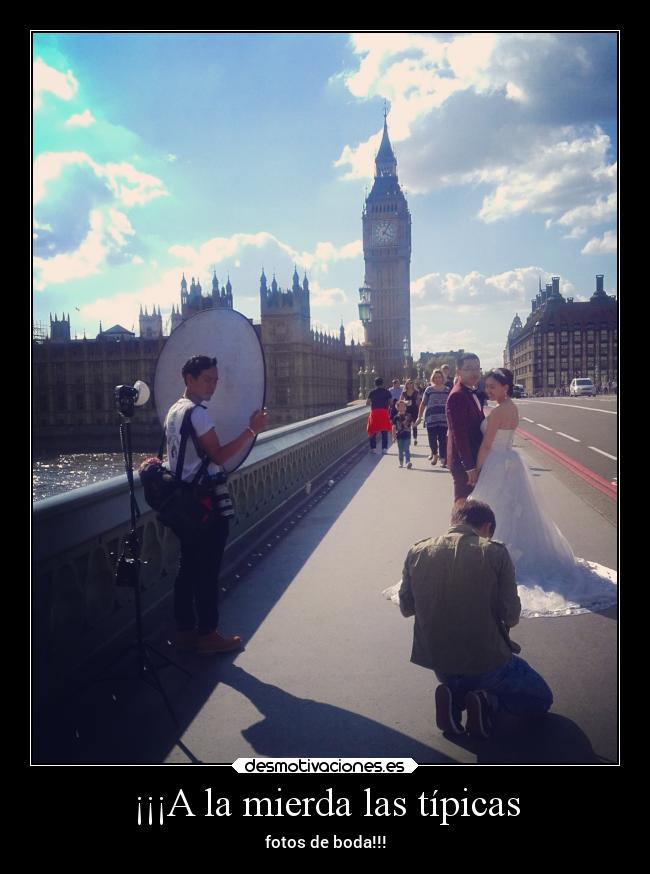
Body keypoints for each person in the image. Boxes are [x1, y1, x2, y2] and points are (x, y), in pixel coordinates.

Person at [468, 367, 617, 617]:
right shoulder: (512, 407)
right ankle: (509, 554)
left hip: (496, 462)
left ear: (506, 386)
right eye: (487, 386)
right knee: (514, 510)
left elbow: (486, 444)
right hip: (511, 461)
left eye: (493, 386)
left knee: (494, 508)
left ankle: (497, 560)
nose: (489, 390)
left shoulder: (497, 412)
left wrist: (476, 471)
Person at [398, 501, 552, 738]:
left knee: (460, 679)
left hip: (440, 662)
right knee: (541, 700)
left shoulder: (417, 551)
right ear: (487, 527)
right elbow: (511, 616)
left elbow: (407, 608)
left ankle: (454, 698)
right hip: (487, 662)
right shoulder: (494, 552)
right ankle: (487, 702)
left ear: (454, 521)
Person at [165, 355, 268, 655]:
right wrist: (252, 430)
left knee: (187, 568)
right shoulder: (197, 414)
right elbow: (220, 456)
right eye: (207, 379)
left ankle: (185, 630)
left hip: (182, 500)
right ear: (189, 379)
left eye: (215, 380)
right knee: (207, 571)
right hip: (204, 504)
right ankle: (208, 634)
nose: (213, 385)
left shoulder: (174, 410)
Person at [445, 353, 485, 507]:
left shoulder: (468, 391)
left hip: (470, 458)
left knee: (469, 506)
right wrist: (469, 467)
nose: (474, 372)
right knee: (462, 506)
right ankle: (456, 531)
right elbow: (459, 435)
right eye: (468, 369)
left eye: (477, 368)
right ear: (458, 372)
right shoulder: (458, 395)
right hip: (464, 463)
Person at [416, 369, 449, 466]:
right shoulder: (429, 390)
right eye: (435, 377)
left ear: (442, 378)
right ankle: (435, 454)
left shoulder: (447, 390)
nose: (437, 379)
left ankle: (443, 458)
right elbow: (423, 404)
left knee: (443, 439)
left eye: (439, 377)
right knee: (432, 439)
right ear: (433, 378)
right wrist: (419, 417)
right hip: (431, 418)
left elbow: (451, 405)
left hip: (444, 419)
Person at [366, 377, 392, 454]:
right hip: (384, 412)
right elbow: (390, 403)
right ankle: (384, 448)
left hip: (374, 413)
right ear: (382, 383)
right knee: (384, 431)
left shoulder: (372, 392)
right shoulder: (387, 392)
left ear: (375, 383)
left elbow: (367, 403)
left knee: (373, 430)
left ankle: (373, 448)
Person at [393, 399, 414, 469]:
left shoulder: (409, 416)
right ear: (397, 407)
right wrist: (393, 437)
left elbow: (412, 424)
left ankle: (408, 462)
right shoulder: (395, 417)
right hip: (399, 436)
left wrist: (414, 426)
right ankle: (401, 462)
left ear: (405, 407)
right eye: (400, 406)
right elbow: (393, 427)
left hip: (407, 435)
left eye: (403, 406)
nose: (402, 407)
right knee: (400, 450)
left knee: (406, 449)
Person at [400, 379, 420, 445]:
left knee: (414, 425)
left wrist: (420, 411)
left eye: (411, 383)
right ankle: (408, 439)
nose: (410, 385)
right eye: (408, 383)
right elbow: (400, 401)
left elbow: (419, 402)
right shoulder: (404, 393)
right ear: (406, 385)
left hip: (414, 410)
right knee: (407, 426)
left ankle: (415, 439)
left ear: (413, 384)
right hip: (407, 411)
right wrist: (405, 402)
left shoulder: (416, 392)